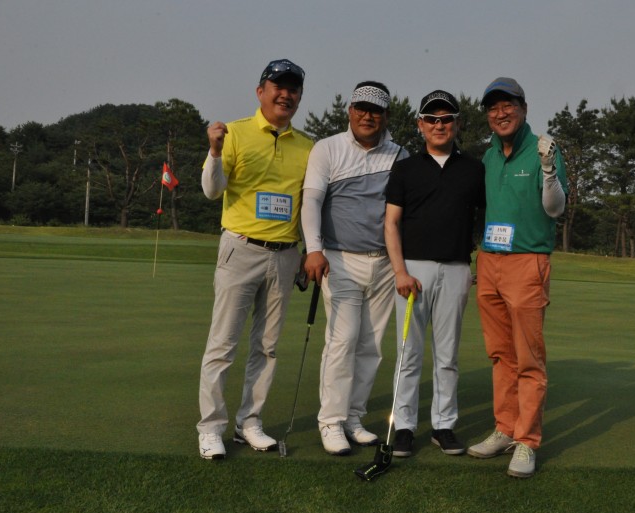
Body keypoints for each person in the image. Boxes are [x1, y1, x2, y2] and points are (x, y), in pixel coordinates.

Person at [196, 59, 313, 460]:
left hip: (285, 255)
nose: (286, 94)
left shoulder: (308, 147)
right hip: (241, 248)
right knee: (222, 344)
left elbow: (309, 206)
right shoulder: (234, 133)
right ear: (260, 91)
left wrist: (309, 250)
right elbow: (212, 190)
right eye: (279, 86)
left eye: (293, 88)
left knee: (267, 346)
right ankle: (211, 427)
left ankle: (249, 422)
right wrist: (215, 150)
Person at [467, 77, 568, 478]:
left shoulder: (543, 149)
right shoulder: (488, 156)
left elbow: (555, 209)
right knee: (500, 355)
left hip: (527, 261)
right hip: (490, 262)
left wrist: (548, 170)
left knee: (528, 358)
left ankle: (527, 441)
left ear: (523, 108)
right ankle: (505, 429)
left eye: (508, 105)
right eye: (493, 108)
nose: (501, 113)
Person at [301, 81, 408, 455]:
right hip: (339, 260)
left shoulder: (400, 155)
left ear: (386, 116)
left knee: (370, 346)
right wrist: (313, 249)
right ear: (350, 110)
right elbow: (312, 202)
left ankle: (353, 417)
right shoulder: (327, 148)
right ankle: (331, 420)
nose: (367, 116)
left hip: (384, 263)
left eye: (375, 111)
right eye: (361, 108)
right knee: (342, 340)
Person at [384, 90, 485, 458]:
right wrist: (399, 271)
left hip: (457, 269)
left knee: (447, 355)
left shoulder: (474, 169)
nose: (439, 125)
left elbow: (486, 219)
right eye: (431, 119)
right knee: (408, 353)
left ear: (457, 124)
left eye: (446, 119)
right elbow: (391, 224)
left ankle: (443, 425)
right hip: (413, 271)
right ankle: (404, 427)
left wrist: (482, 261)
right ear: (420, 125)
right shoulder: (406, 168)